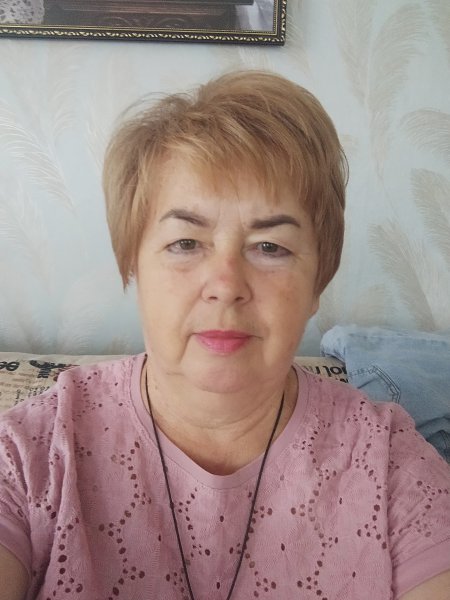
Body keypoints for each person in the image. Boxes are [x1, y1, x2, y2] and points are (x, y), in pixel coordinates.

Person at [0, 71, 449, 600]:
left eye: (270, 247)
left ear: (317, 283)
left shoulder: (390, 463)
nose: (226, 285)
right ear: (134, 267)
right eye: (186, 242)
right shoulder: (30, 455)